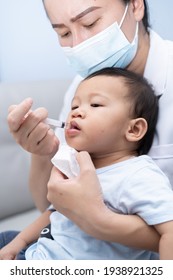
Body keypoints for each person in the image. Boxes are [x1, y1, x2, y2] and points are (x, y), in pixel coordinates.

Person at [6, 0, 173, 251]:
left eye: (90, 22)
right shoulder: (80, 87)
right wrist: (42, 153)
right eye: (63, 33)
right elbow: (52, 207)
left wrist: (100, 221)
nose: (79, 44)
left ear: (136, 5)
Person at [1, 68, 173, 260]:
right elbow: (55, 212)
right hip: (38, 251)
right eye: (74, 107)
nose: (76, 113)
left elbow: (169, 232)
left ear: (133, 129)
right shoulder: (76, 165)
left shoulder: (139, 175)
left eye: (96, 104)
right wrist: (19, 242)